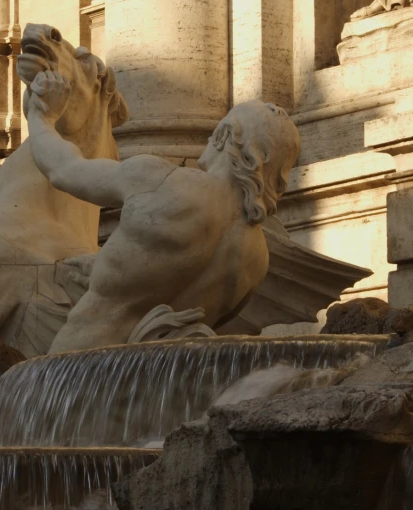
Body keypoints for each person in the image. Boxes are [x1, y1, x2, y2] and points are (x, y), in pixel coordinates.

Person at [26, 70, 301, 353]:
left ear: (224, 136)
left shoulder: (162, 182)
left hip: (80, 367)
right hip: (159, 387)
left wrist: (41, 116)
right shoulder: (258, 260)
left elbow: (63, 170)